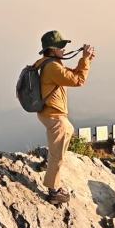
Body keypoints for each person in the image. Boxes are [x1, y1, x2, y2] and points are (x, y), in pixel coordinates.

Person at [34, 30, 96, 204]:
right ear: (53, 49)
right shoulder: (53, 66)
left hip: (48, 113)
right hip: (55, 116)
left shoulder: (47, 63)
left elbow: (72, 75)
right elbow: (78, 81)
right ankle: (54, 191)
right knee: (58, 155)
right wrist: (84, 59)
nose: (64, 49)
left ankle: (48, 166)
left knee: (59, 145)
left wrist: (86, 60)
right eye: (61, 47)